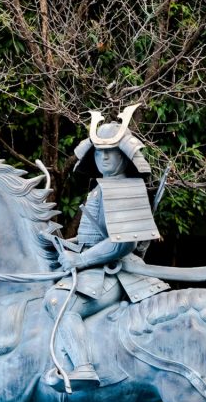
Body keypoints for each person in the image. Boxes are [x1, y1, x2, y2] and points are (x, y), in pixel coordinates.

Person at [44, 106, 165, 387]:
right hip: (99, 266)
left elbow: (122, 244)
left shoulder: (124, 188)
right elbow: (96, 236)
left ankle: (83, 368)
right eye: (99, 152)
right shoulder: (101, 187)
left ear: (124, 155)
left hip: (116, 272)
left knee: (59, 302)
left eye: (111, 152)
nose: (105, 157)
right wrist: (66, 244)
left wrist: (80, 260)